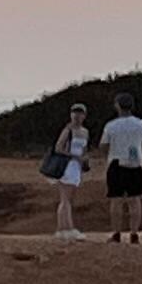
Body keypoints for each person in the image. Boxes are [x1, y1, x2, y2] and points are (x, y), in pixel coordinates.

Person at [101, 90, 142, 244]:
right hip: (136, 163)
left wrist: (108, 155)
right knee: (135, 200)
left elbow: (104, 145)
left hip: (117, 162)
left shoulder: (111, 125)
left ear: (118, 106)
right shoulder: (141, 124)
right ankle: (134, 234)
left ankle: (116, 233)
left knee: (116, 200)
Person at [47, 102, 93, 239]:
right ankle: (65, 228)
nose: (77, 116)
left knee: (69, 198)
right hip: (67, 166)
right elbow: (58, 148)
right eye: (75, 113)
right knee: (65, 198)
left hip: (76, 168)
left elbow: (84, 149)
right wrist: (74, 156)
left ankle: (66, 227)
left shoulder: (85, 132)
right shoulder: (68, 130)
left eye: (80, 113)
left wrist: (84, 160)